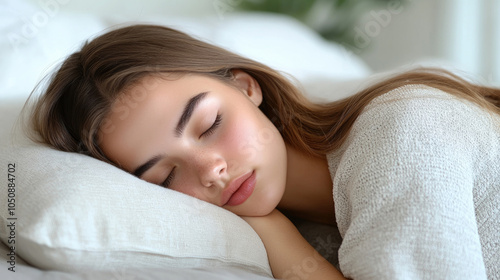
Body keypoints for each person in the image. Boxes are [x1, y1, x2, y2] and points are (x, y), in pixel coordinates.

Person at [28, 24, 499, 279]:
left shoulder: (402, 128)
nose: (210, 170)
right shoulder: (307, 228)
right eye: (165, 177)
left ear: (247, 86)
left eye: (209, 124)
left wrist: (276, 236)